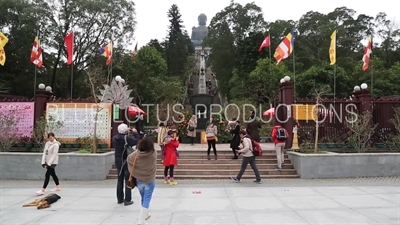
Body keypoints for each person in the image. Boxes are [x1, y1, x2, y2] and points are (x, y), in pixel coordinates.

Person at [127, 137, 157, 225]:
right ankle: (141, 221)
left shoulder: (135, 155)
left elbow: (129, 158)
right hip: (150, 180)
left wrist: (137, 150)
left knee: (143, 198)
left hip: (139, 181)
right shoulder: (153, 154)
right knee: (146, 199)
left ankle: (146, 214)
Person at [112, 123, 140, 206]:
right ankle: (127, 200)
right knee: (128, 180)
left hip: (118, 161)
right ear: (125, 130)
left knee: (119, 180)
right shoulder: (126, 138)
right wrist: (135, 133)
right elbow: (136, 141)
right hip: (126, 161)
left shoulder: (114, 138)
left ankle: (119, 199)